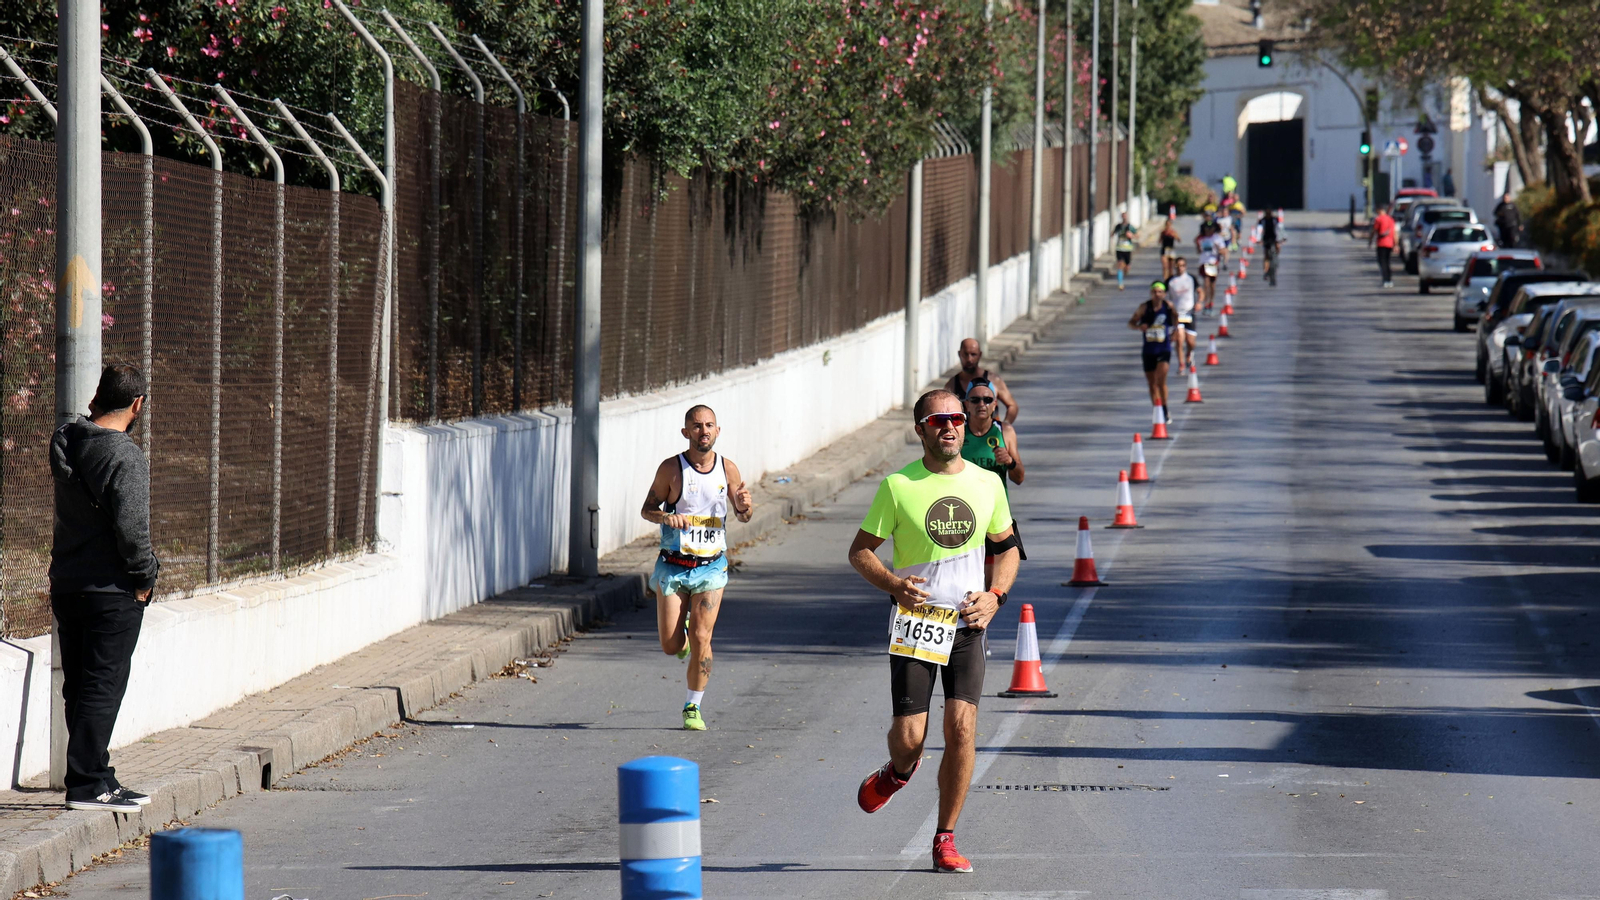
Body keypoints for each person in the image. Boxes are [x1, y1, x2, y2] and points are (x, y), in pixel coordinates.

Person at [849, 390, 1019, 874]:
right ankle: (898, 771)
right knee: (910, 738)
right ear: (920, 430)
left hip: (967, 623)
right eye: (937, 420)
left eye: (957, 419)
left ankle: (945, 838)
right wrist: (895, 585)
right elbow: (860, 552)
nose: (949, 427)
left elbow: (1008, 548)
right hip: (917, 623)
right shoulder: (898, 485)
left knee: (962, 728)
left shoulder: (988, 483)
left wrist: (995, 595)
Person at [50, 363, 159, 813]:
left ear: (98, 397)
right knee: (103, 686)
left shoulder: (67, 440)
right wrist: (145, 576)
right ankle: (87, 784)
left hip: (67, 581)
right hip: (111, 590)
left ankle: (95, 775)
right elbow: (133, 531)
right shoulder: (124, 456)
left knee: (79, 686)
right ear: (137, 404)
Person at [640, 405, 754, 731]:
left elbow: (744, 513)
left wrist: (745, 508)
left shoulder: (727, 469)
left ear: (717, 431)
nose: (704, 431)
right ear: (686, 432)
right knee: (671, 646)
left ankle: (693, 705)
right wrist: (667, 517)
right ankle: (684, 640)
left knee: (704, 636)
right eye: (697, 425)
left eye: (709, 425)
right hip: (673, 567)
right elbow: (647, 509)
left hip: (711, 568)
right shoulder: (671, 470)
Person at [960, 380, 1026, 582]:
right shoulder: (958, 432)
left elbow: (1019, 478)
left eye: (987, 400)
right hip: (964, 516)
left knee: (991, 584)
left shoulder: (1005, 431)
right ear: (966, 404)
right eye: (975, 400)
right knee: (965, 580)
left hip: (994, 517)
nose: (982, 404)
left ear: (995, 404)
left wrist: (1010, 462)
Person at [1128, 281, 1177, 422]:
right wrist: (1139, 327)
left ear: (1164, 294)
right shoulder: (1144, 307)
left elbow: (1176, 319)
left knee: (1161, 380)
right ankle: (1157, 409)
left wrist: (1175, 332)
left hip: (1164, 348)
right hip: (1149, 350)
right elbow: (1131, 322)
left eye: (1160, 292)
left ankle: (1165, 409)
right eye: (1154, 292)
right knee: (1152, 383)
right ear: (1151, 293)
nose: (1157, 295)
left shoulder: (1168, 307)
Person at [944, 338, 1020, 424]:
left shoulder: (993, 380)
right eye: (965, 354)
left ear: (980, 355)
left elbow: (1012, 406)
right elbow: (944, 412)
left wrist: (1004, 426)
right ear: (959, 354)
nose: (969, 359)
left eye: (973, 354)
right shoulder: (952, 385)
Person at [1167, 257, 1199, 370]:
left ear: (1185, 266)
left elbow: (1200, 291)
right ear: (1175, 267)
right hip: (1176, 314)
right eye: (1178, 266)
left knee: (1191, 342)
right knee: (1179, 339)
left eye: (1182, 265)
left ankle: (1189, 354)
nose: (1180, 268)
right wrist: (1167, 304)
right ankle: (1181, 364)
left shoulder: (1191, 279)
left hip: (1189, 313)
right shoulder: (1170, 281)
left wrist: (1199, 302)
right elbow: (1162, 294)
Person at [1369, 203, 1397, 288]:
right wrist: (1396, 244)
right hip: (1389, 244)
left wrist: (1370, 241)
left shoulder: (1378, 219)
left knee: (1382, 262)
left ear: (1379, 210)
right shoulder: (1391, 219)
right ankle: (1389, 280)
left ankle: (1385, 280)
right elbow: (1394, 233)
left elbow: (1374, 231)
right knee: (1387, 262)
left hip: (1381, 244)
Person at [1195, 222, 1221, 312]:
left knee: (1212, 285)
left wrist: (1218, 249)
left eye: (1211, 228)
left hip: (1213, 263)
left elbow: (1223, 250)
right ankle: (1205, 303)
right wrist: (1198, 245)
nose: (1209, 230)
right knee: (1206, 283)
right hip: (1204, 262)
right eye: (1207, 228)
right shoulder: (1201, 238)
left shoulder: (1217, 238)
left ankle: (1211, 301)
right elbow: (1199, 251)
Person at [1259, 209, 1284, 286]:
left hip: (1274, 239)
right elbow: (1259, 229)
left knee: (1277, 248)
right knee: (1266, 255)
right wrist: (1258, 239)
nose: (1268, 215)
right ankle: (1266, 271)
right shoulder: (1262, 220)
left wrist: (1282, 238)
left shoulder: (1275, 220)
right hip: (1266, 239)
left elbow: (1280, 229)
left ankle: (1276, 258)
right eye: (1267, 213)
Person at [1112, 212, 1137, 290]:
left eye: (1125, 216)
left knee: (1127, 267)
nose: (1124, 218)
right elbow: (1112, 233)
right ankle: (1120, 284)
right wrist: (1112, 234)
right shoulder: (1118, 226)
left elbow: (1137, 235)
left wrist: (1131, 235)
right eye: (1123, 216)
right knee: (1120, 265)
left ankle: (1126, 270)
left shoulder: (1130, 227)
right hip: (1119, 248)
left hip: (1127, 249)